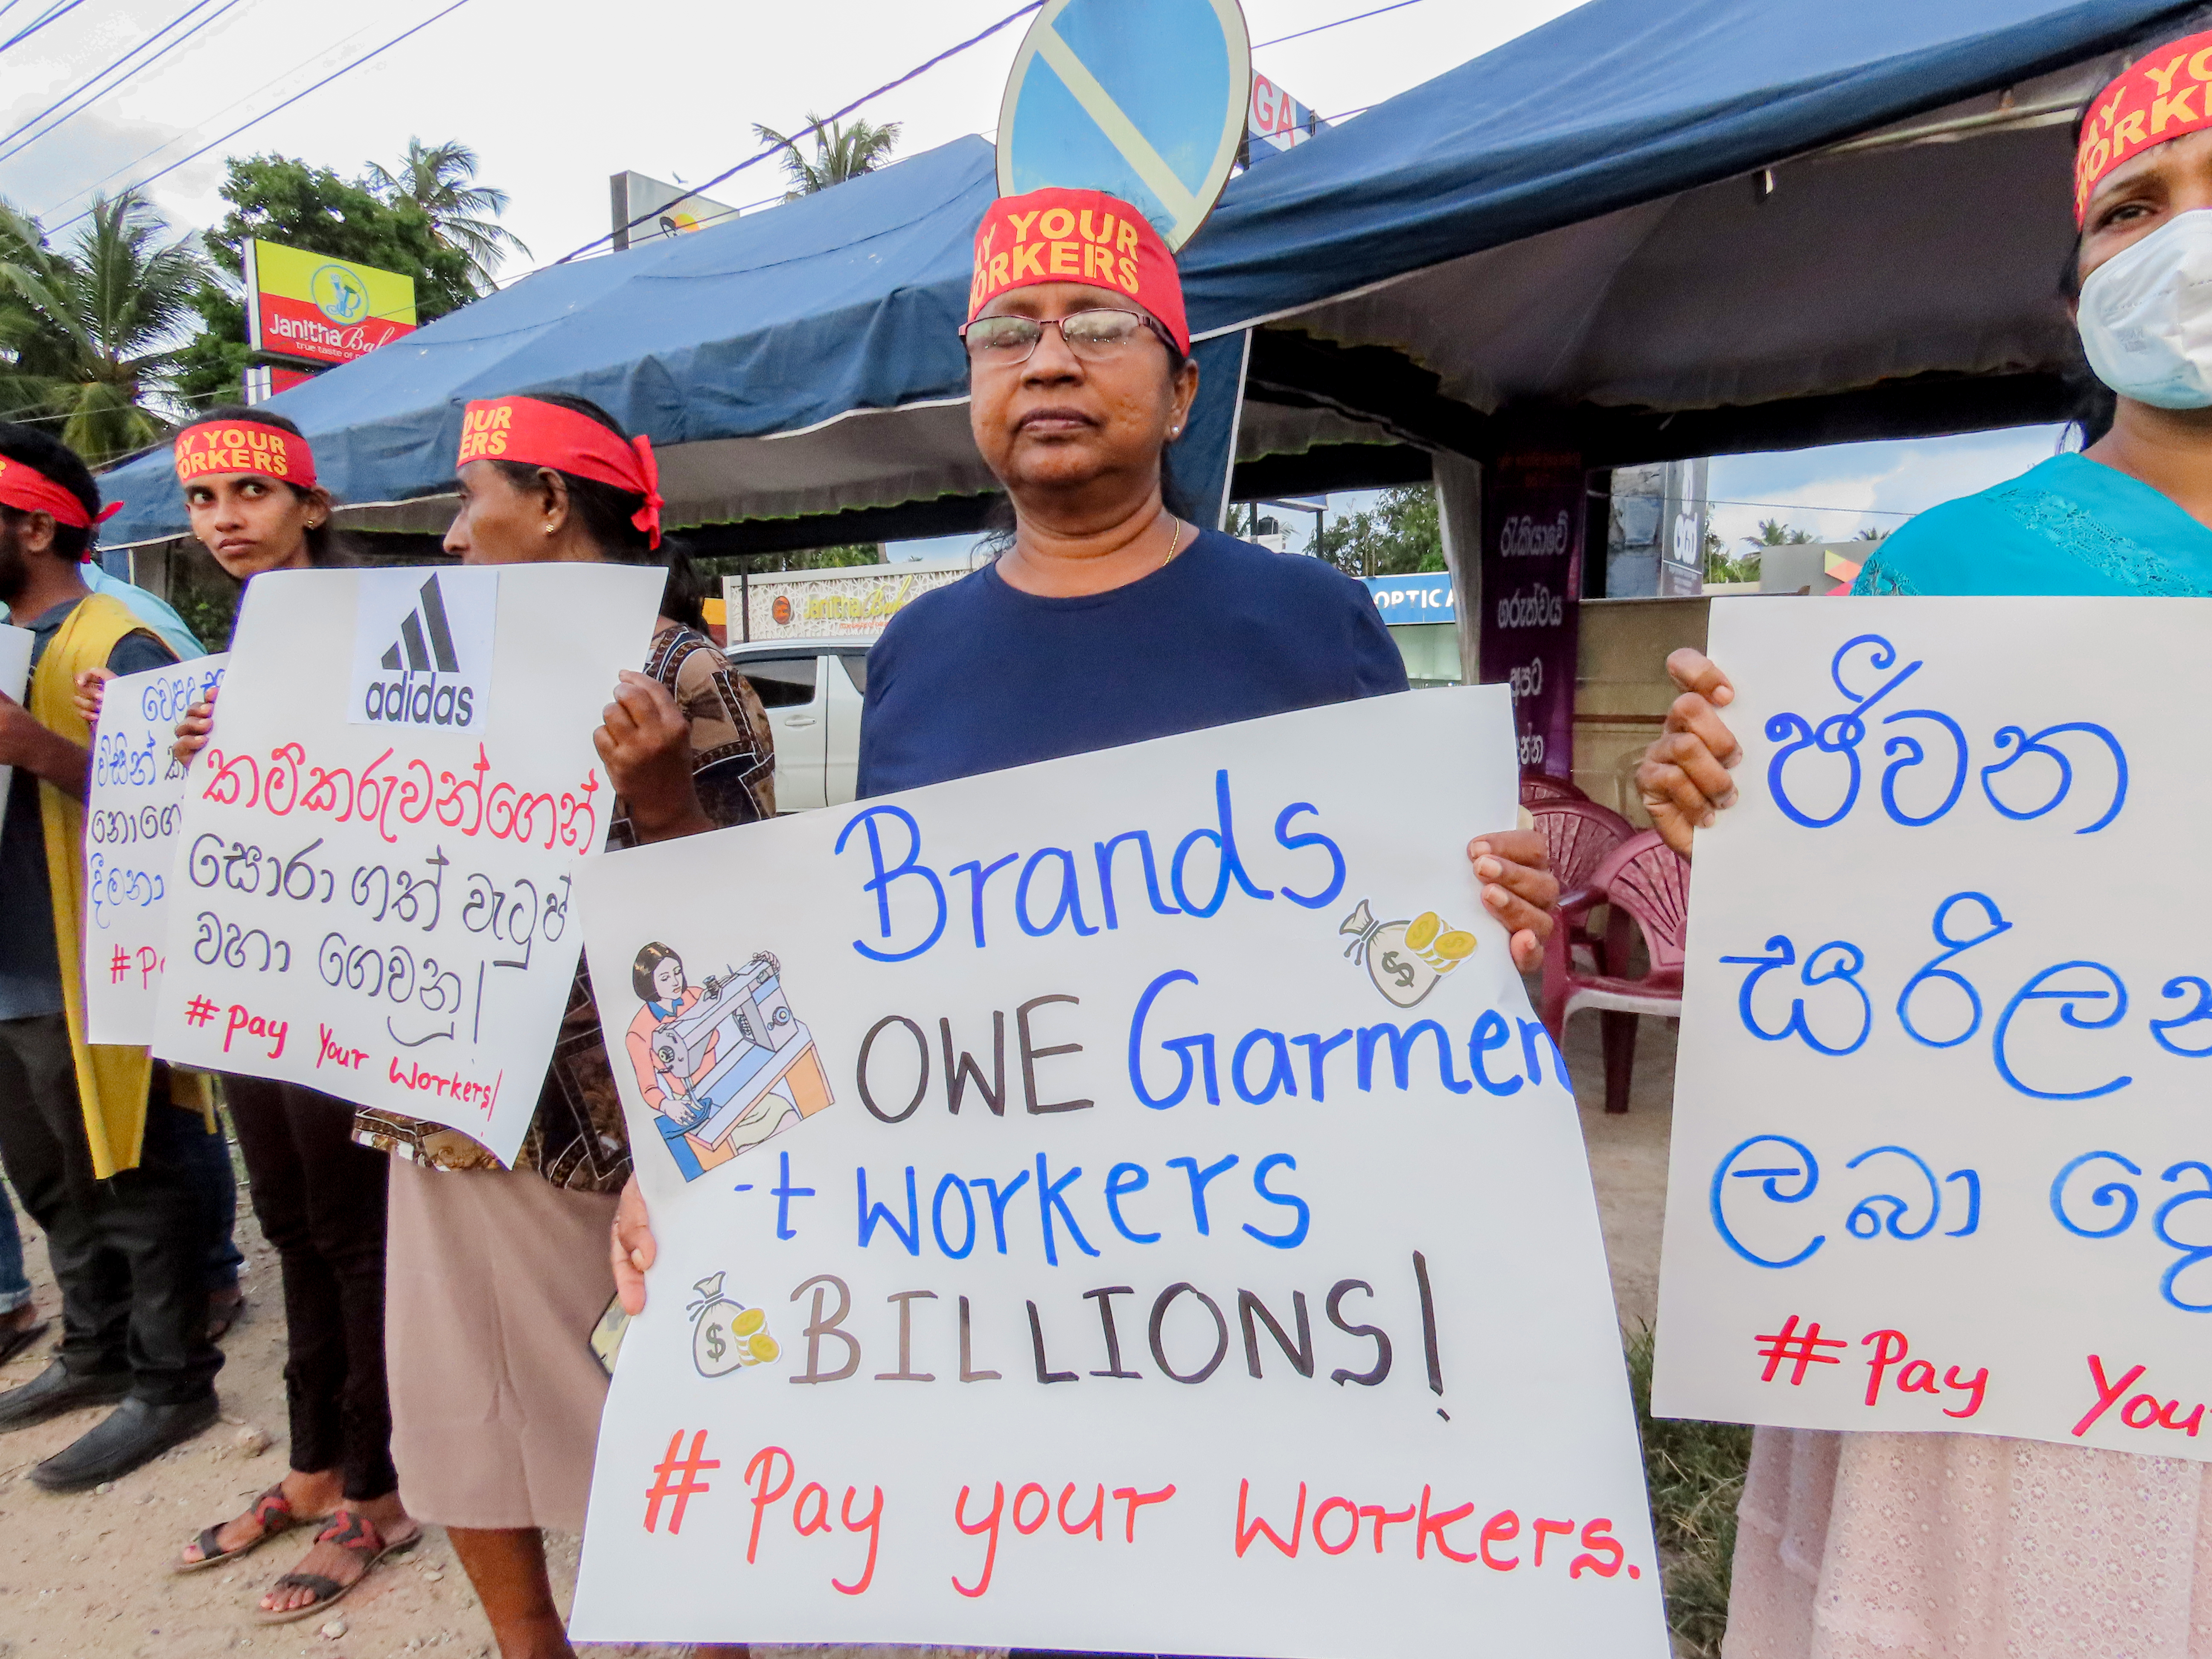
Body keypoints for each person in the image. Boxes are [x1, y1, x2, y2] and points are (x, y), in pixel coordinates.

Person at [600, 185, 1559, 1421]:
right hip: (1017, 1275)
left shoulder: (1316, 621)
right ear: (973, 391)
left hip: (1282, 1269)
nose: (1047, 359)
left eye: (1099, 324)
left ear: (1182, 394)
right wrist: (699, 1176)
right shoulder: (918, 649)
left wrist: (1501, 921)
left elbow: (1424, 960)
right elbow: (869, 967)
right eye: (1008, 331)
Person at [1635, 20, 2212, 1655]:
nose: (2185, 238)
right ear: (2075, 283)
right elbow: (1841, 934)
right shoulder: (1947, 566)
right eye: (2133, 206)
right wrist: (1723, 806)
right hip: (2006, 1306)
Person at [349, 392, 771, 1659]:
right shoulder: (429, 670)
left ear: (548, 504)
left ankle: (710, 1639)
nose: (451, 541)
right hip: (447, 1109)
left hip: (607, 1139)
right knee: (459, 1423)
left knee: (673, 1427)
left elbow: (751, 929)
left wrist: (655, 804)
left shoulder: (681, 670)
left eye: (468, 503)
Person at [87, 409, 424, 1624]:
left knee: (353, 1228)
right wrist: (166, 744)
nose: (226, 519)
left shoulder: (384, 618)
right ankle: (311, 1466)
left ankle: (380, 1494)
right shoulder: (246, 630)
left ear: (314, 506)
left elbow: (425, 775)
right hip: (250, 959)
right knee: (287, 1222)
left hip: (350, 966)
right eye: (206, 501)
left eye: (252, 493)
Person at [0, 422, 227, 1489]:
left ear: (33, 523)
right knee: (48, 1179)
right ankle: (93, 1350)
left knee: (135, 1176)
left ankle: (171, 1379)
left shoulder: (117, 636)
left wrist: (35, 748)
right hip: (12, 965)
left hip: (94, 962)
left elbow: (192, 803)